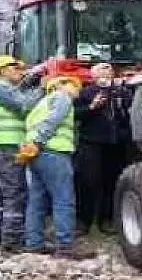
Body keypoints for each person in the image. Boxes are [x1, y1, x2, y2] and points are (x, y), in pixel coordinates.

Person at [19, 75, 92, 259]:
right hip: (54, 153)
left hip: (35, 156)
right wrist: (39, 142)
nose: (77, 91)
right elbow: (53, 121)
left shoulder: (39, 105)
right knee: (63, 199)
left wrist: (33, 146)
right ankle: (65, 246)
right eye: (74, 86)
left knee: (36, 201)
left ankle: (34, 244)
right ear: (60, 85)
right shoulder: (62, 98)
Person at [0, 55, 44, 251]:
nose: (19, 72)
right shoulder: (1, 88)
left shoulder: (2, 89)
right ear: (2, 71)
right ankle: (11, 240)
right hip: (7, 145)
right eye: (14, 68)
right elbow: (24, 105)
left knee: (2, 192)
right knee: (14, 191)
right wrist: (42, 88)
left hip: (3, 145)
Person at [74, 63, 132, 236]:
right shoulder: (86, 92)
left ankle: (106, 220)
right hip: (91, 143)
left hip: (115, 144)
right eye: (102, 70)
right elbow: (74, 113)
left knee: (112, 183)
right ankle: (83, 222)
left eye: (109, 71)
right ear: (93, 76)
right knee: (87, 182)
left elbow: (129, 114)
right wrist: (92, 107)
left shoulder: (122, 92)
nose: (107, 73)